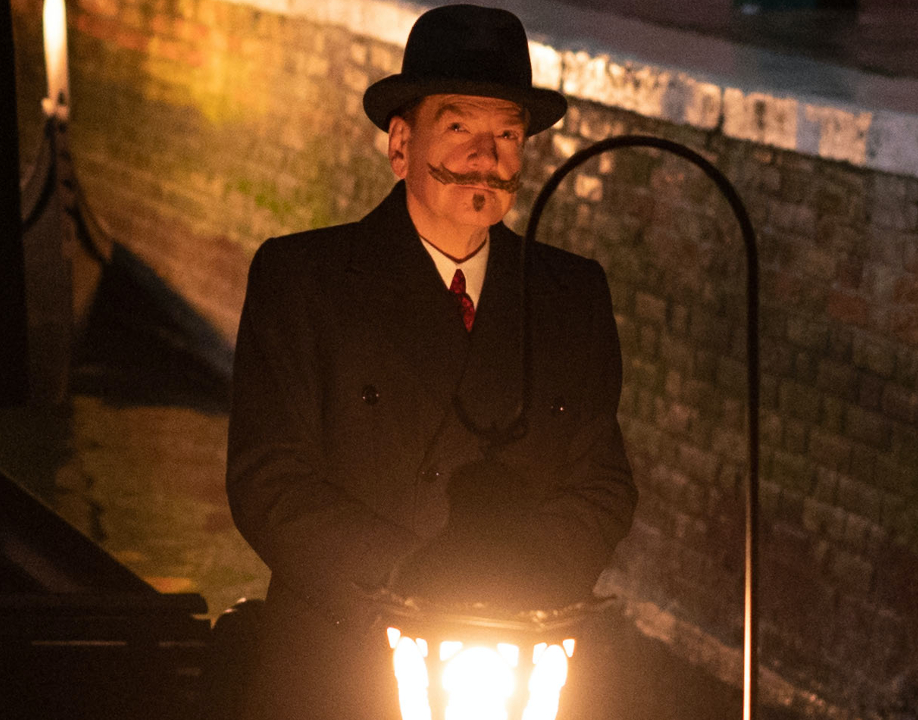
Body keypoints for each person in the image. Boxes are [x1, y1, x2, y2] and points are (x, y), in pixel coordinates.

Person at [225, 5, 637, 718]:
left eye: (507, 135)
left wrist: (524, 577)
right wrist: (407, 580)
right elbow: (268, 480)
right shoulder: (305, 280)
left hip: (511, 669)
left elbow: (602, 482)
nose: (486, 156)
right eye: (458, 129)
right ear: (400, 145)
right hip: (341, 668)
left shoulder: (570, 295)